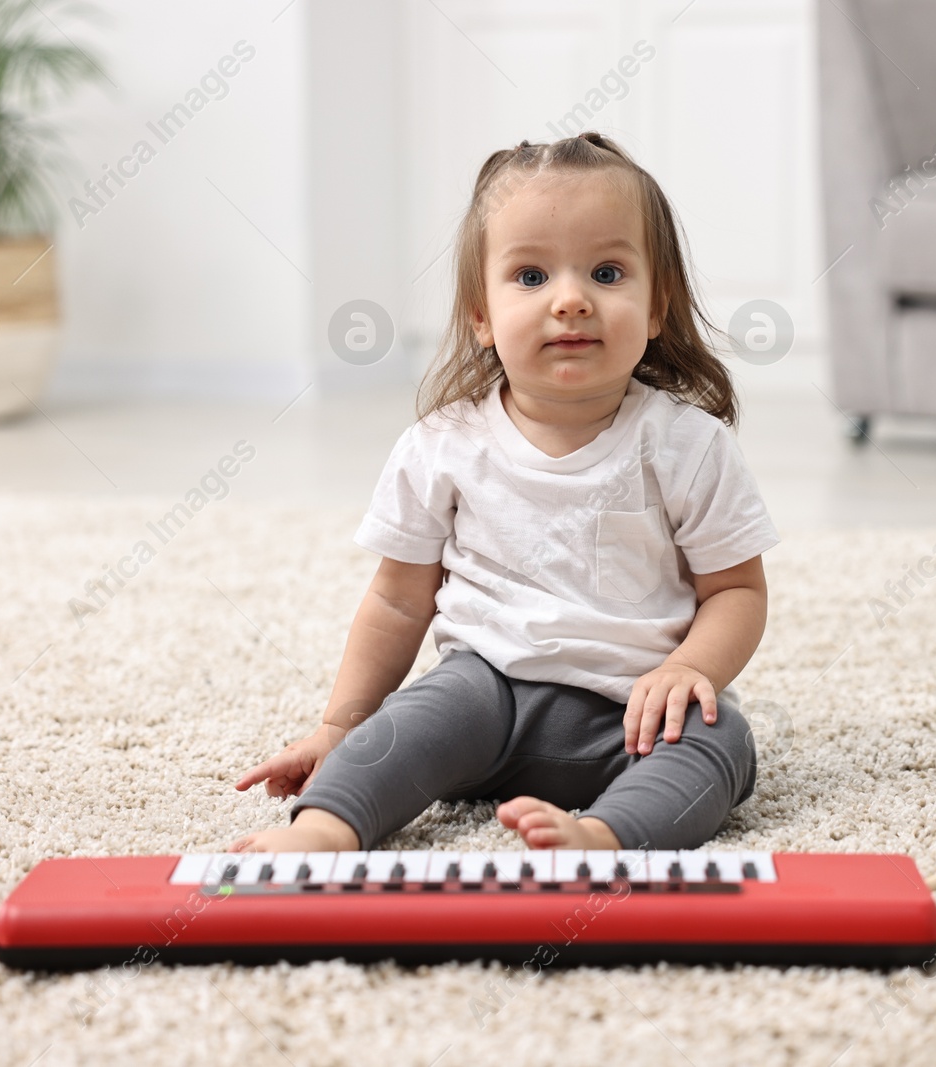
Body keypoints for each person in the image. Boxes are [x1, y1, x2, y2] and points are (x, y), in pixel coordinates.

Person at [229, 132, 780, 856]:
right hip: (482, 697)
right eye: (530, 277)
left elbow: (737, 590)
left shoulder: (689, 446)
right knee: (407, 719)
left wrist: (687, 670)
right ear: (479, 315)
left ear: (656, 308)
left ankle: (604, 836)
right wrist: (342, 722)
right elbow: (398, 599)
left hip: (633, 710)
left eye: (608, 272)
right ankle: (327, 827)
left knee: (722, 740)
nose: (572, 300)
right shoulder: (444, 445)